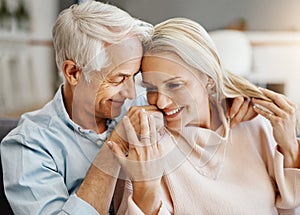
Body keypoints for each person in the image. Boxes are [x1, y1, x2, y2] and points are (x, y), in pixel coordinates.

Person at [0, 2, 257, 214]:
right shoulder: (28, 146)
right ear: (73, 72)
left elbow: (189, 87)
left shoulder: (141, 102)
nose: (133, 93)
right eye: (118, 78)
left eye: (134, 78)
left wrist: (225, 100)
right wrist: (115, 146)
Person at [108, 17, 300, 214]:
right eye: (151, 88)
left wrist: (290, 146)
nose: (161, 102)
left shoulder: (256, 124)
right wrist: (145, 187)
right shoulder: (148, 147)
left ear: (208, 78)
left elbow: (290, 206)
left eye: (174, 85)